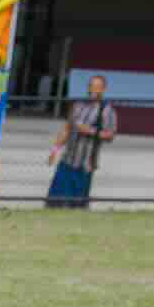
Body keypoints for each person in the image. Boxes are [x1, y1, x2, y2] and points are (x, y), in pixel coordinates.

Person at [47, 74, 118, 207]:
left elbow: (110, 135)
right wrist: (54, 150)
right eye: (91, 86)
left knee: (77, 204)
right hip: (67, 160)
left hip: (86, 164)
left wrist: (89, 131)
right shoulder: (77, 106)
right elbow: (66, 129)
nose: (94, 90)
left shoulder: (107, 111)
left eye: (97, 87)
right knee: (55, 201)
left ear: (103, 89)